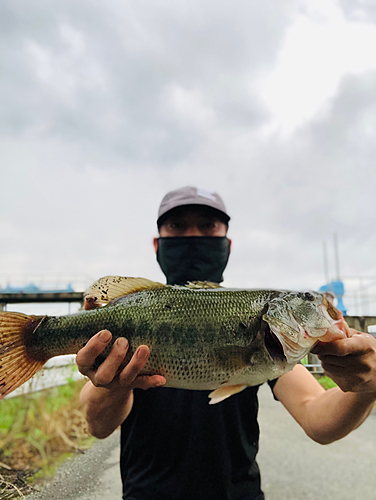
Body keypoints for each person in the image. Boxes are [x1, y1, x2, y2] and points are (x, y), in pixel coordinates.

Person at [77, 186, 376, 500]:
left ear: (227, 243)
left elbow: (318, 419)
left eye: (207, 226)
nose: (193, 236)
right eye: (177, 226)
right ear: (157, 242)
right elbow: (97, 426)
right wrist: (114, 384)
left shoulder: (261, 328)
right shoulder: (133, 313)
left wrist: (368, 386)